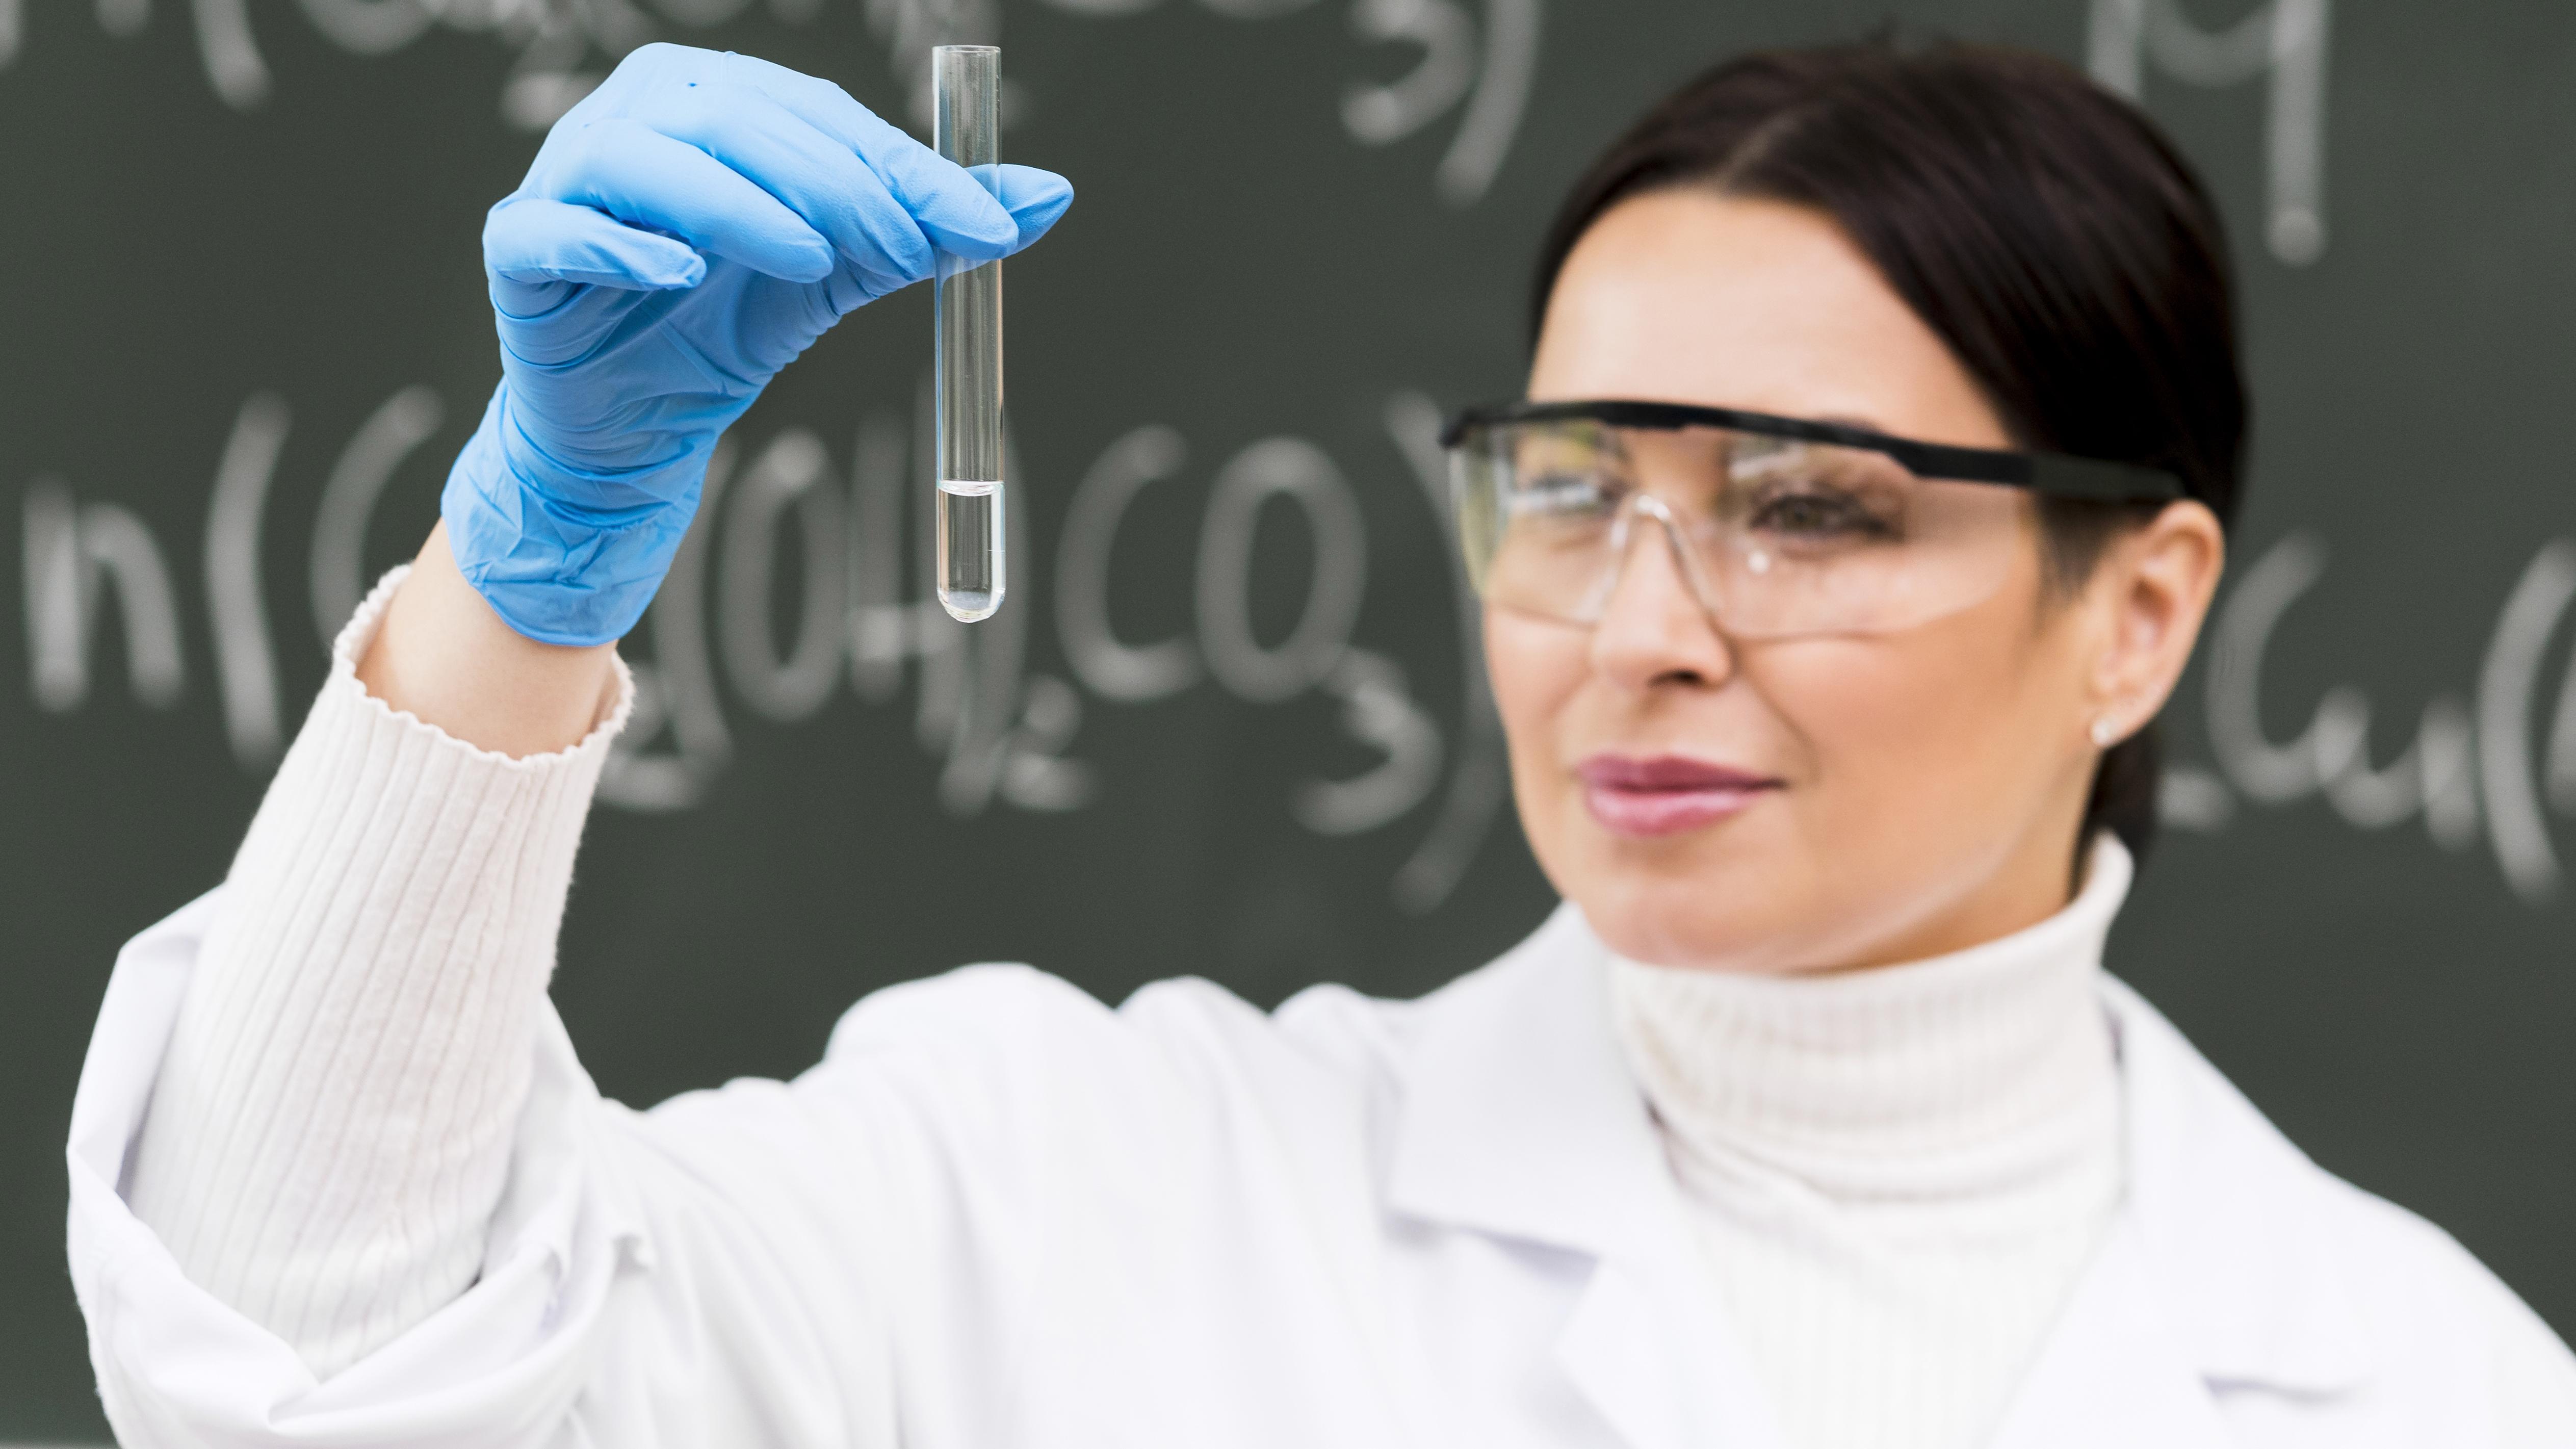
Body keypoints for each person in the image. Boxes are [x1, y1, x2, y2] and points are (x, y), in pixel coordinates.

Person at [65, 37, 2575, 1449]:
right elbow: (305, 1359)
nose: (1639, 629)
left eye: (1808, 513)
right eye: (1570, 492)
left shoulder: (2443, 1395)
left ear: (2134, 612)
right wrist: (520, 582)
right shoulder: (1077, 1191)